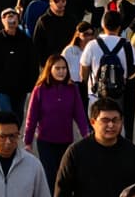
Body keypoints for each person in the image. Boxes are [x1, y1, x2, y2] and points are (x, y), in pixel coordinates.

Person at [54, 99, 135, 197]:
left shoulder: (132, 153)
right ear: (93, 122)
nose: (111, 125)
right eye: (105, 120)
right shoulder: (76, 152)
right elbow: (62, 193)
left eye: (115, 120)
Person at [23, 55, 89, 188]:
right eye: (57, 68)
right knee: (51, 176)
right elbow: (32, 117)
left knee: (65, 175)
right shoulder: (40, 89)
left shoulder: (72, 89)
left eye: (64, 68)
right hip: (46, 141)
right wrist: (28, 141)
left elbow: (80, 114)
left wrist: (86, 134)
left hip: (66, 141)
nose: (61, 71)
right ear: (50, 69)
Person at [0, 7, 37, 122]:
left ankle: (12, 138)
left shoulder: (25, 40)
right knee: (7, 115)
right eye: (8, 18)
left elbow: (32, 64)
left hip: (20, 87)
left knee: (18, 117)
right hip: (2, 87)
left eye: (14, 17)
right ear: (3, 21)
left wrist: (33, 85)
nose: (11, 21)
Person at [80, 11, 135, 111]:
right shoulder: (127, 45)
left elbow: (83, 72)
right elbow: (134, 70)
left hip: (96, 95)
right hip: (119, 96)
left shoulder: (92, 44)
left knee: (97, 123)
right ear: (119, 26)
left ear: (102, 24)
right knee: (116, 124)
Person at [32, 0, 76, 66]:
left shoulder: (71, 19)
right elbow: (37, 43)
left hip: (69, 60)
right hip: (50, 61)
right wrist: (43, 63)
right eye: (56, 1)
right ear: (50, 2)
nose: (60, 4)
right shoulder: (44, 20)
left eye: (63, 1)